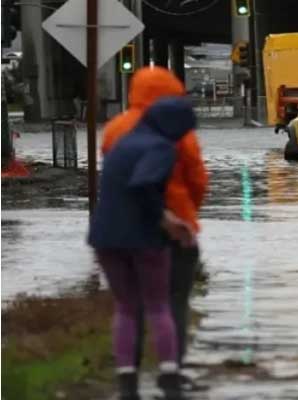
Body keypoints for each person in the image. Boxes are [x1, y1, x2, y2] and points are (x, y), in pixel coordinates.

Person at [102, 66, 208, 375]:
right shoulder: (178, 133)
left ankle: (128, 372)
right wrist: (187, 215)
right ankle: (172, 370)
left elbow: (113, 175)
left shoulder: (115, 129)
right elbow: (197, 178)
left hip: (124, 228)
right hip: (173, 228)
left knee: (128, 305)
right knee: (172, 302)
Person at [89, 97, 197, 400]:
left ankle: (127, 383)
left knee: (125, 307)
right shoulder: (160, 148)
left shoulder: (123, 143)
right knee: (158, 305)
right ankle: (169, 376)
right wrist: (168, 220)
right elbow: (143, 185)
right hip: (143, 237)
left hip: (105, 237)